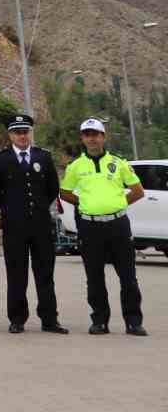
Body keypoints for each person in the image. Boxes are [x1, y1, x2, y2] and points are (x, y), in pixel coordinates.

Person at [59, 118, 147, 336]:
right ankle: (99, 321)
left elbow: (138, 191)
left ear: (103, 137)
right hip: (90, 227)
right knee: (94, 276)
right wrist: (86, 205)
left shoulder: (119, 163)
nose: (92, 138)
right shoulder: (75, 167)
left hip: (118, 225)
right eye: (87, 134)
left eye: (96, 134)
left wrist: (117, 205)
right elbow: (65, 192)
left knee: (128, 276)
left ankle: (133, 321)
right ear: (82, 138)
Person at [0, 112, 67, 334]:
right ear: (10, 135)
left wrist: (39, 208)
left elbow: (52, 188)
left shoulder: (43, 157)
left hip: (40, 224)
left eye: (25, 132)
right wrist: (11, 209)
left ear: (30, 133)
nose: (22, 136)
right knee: (16, 273)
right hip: (14, 226)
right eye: (17, 132)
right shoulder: (0, 159)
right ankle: (17, 318)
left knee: (45, 274)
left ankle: (49, 319)